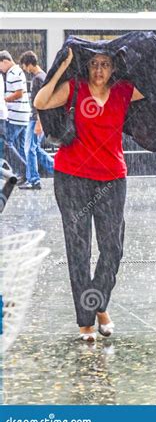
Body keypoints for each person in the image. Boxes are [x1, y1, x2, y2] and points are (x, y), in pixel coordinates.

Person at [34, 48, 145, 342]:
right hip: (72, 177)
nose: (99, 70)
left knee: (112, 249)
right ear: (87, 67)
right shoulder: (75, 88)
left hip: (112, 179)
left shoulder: (124, 91)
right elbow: (40, 101)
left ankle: (98, 304)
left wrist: (136, 58)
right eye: (94, 64)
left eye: (105, 65)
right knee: (79, 250)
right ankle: (86, 321)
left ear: (113, 68)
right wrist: (63, 67)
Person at [18, 51, 54, 190]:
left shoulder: (37, 79)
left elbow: (40, 103)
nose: (25, 70)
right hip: (40, 119)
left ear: (29, 64)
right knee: (35, 149)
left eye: (25, 67)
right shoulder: (44, 76)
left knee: (29, 149)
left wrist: (39, 122)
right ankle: (59, 170)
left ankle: (34, 180)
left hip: (36, 119)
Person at [0, 50, 29, 182]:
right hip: (23, 115)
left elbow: (19, 93)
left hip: (16, 115)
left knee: (7, 143)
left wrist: (3, 100)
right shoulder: (16, 71)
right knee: (19, 147)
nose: (1, 69)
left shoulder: (14, 73)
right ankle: (24, 175)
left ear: (5, 61)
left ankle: (23, 168)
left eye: (0, 66)